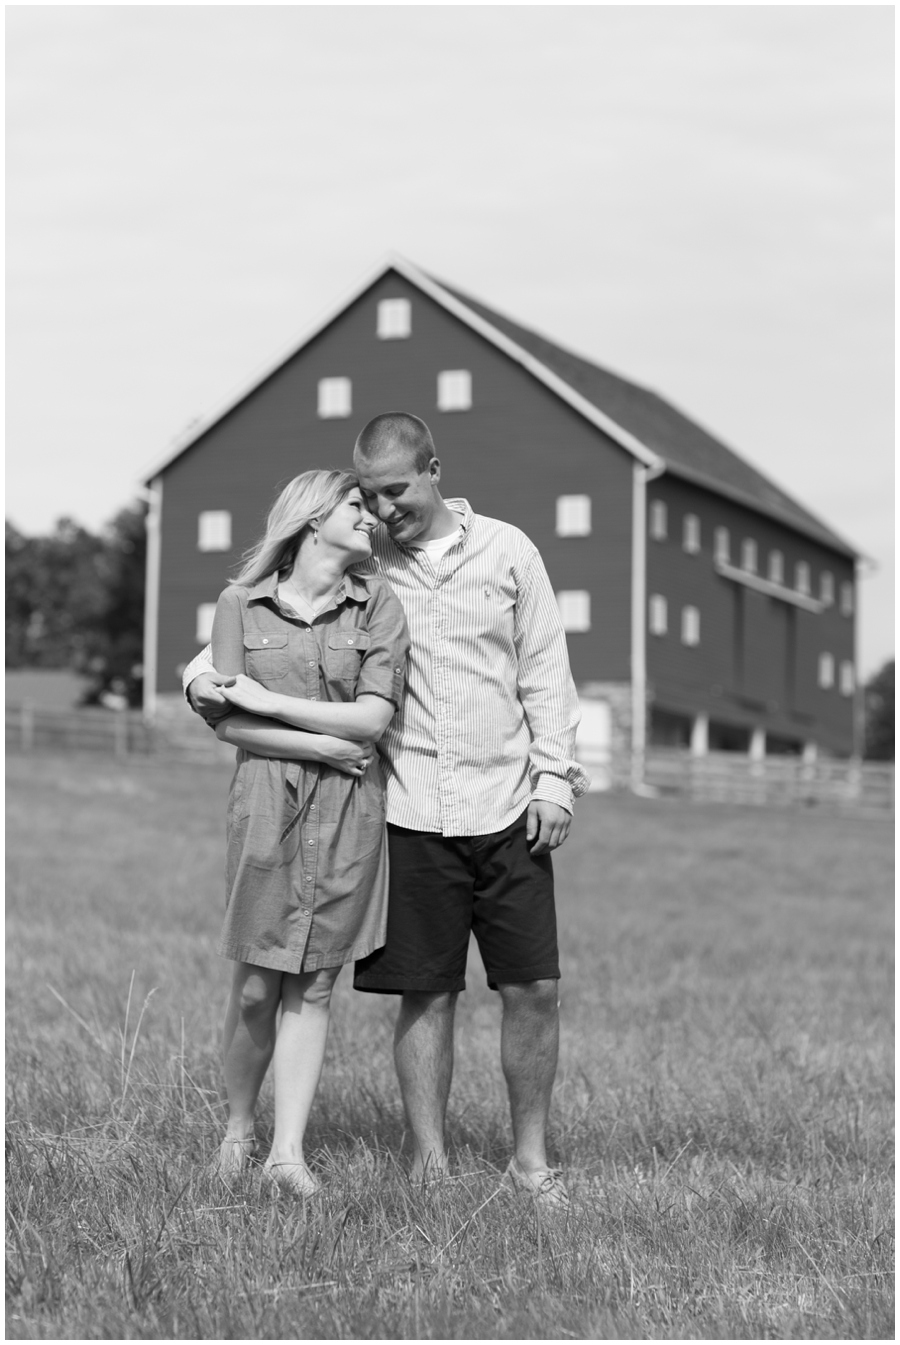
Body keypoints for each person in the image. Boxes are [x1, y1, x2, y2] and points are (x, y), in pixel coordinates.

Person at [186, 414, 588, 1210]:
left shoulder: (509, 551)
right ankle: (428, 1163)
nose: (381, 508)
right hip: (407, 809)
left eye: (395, 490)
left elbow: (546, 670)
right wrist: (205, 679)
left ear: (434, 469)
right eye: (366, 494)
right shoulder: (369, 568)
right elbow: (246, 633)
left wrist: (555, 780)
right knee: (425, 990)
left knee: (533, 987)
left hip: (508, 802)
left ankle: (533, 1166)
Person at [201, 468, 409, 1196]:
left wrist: (268, 701)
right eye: (357, 506)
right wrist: (318, 744)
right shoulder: (241, 604)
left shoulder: (378, 603)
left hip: (351, 810)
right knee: (258, 986)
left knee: (314, 985)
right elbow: (228, 718)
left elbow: (373, 719)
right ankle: (238, 1126)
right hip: (266, 800)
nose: (372, 518)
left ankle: (287, 1152)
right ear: (313, 519)